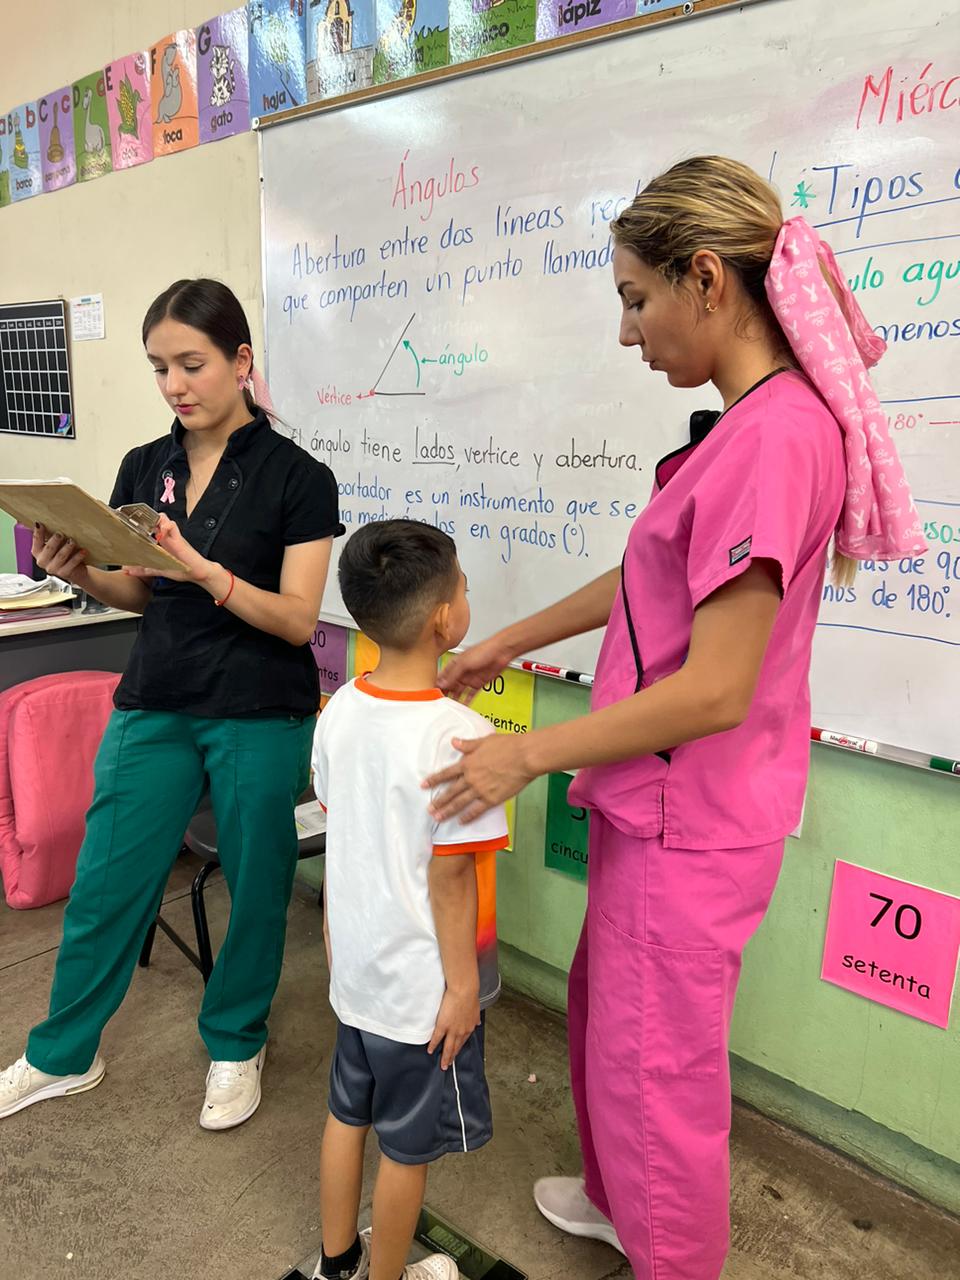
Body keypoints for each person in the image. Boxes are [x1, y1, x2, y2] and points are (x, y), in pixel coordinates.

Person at [424, 157, 926, 1280]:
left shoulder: (778, 436)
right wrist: (510, 640)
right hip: (656, 806)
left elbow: (713, 688)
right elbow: (648, 572)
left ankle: (671, 1253)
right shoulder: (744, 426)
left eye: (635, 298)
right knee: (618, 1029)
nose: (625, 331)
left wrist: (526, 754)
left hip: (687, 817)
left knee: (660, 1075)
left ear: (708, 280)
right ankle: (619, 1201)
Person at [0, 279, 343, 1131]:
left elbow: (297, 619)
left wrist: (204, 570)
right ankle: (61, 1053)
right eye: (159, 368)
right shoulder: (144, 467)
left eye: (192, 364)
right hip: (155, 697)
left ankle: (236, 1041)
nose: (176, 385)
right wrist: (78, 569)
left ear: (241, 362)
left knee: (258, 885)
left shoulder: (299, 478)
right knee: (106, 876)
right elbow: (140, 596)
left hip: (259, 707)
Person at [311, 520, 510, 1280]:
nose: (467, 597)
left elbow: (341, 838)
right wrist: (463, 988)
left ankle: (337, 1265)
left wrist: (335, 941)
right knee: (405, 1147)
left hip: (356, 973)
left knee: (345, 1115)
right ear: (443, 620)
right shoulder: (461, 736)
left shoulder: (341, 711)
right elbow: (451, 877)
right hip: (422, 996)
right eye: (462, 586)